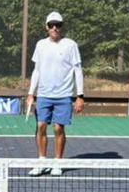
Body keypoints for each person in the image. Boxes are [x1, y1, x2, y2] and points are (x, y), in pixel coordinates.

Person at [25, 11, 84, 176]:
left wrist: (80, 96)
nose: (55, 28)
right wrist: (31, 93)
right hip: (43, 95)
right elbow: (36, 71)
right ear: (47, 27)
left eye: (58, 25)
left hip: (64, 96)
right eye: (51, 25)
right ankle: (42, 161)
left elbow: (77, 70)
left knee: (58, 128)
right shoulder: (40, 45)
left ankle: (57, 163)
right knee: (40, 126)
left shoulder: (70, 45)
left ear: (61, 26)